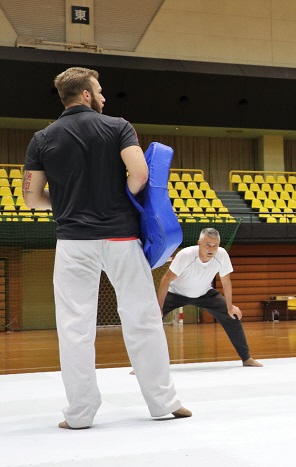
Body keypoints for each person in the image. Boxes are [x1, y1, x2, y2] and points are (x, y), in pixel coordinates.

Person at [23, 67, 191, 429]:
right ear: (85, 94)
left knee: (74, 327)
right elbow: (140, 174)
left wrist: (69, 198)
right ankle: (164, 403)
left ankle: (80, 415)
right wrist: (119, 196)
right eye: (98, 90)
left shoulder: (41, 138)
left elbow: (32, 198)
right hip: (120, 238)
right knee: (143, 320)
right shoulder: (118, 126)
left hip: (73, 243)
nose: (103, 96)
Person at [155, 228, 262, 368]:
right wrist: (158, 308)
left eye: (215, 245)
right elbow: (165, 280)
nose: (211, 249)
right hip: (176, 293)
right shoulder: (186, 255)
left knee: (232, 316)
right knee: (152, 321)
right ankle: (143, 365)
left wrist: (230, 307)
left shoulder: (222, 255)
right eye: (207, 245)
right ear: (199, 243)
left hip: (204, 294)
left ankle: (246, 358)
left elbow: (226, 281)